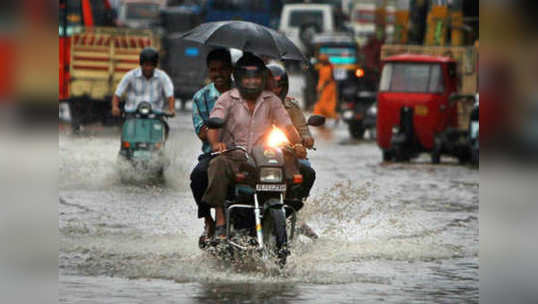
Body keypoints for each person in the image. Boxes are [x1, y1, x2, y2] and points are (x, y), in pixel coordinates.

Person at [202, 53, 305, 240]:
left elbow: (287, 126)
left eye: (256, 77)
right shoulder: (227, 99)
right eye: (247, 77)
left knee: (295, 165)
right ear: (239, 78)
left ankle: (287, 210)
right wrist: (216, 143)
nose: (252, 82)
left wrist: (297, 143)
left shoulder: (271, 101)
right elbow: (213, 124)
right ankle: (220, 220)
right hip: (234, 155)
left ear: (263, 78)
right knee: (217, 165)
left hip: (263, 156)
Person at [267, 63, 319, 239]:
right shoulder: (253, 104)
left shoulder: (292, 106)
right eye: (270, 85)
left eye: (278, 85)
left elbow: (302, 130)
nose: (274, 89)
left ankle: (294, 210)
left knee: (307, 170)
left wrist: (305, 140)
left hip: (287, 152)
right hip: (259, 153)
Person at [190, 48, 233, 244]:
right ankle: (209, 220)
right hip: (213, 153)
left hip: (243, 151)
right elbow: (201, 131)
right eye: (214, 70)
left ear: (231, 70)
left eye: (223, 69)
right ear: (208, 71)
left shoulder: (243, 92)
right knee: (198, 175)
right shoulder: (201, 97)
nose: (219, 74)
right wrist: (215, 139)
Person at [112, 47, 175, 119]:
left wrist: (171, 109)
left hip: (155, 117)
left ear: (155, 65)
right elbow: (117, 93)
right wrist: (115, 107)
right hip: (132, 117)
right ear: (141, 64)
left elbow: (170, 95)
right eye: (146, 65)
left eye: (151, 65)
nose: (148, 68)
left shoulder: (162, 77)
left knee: (164, 128)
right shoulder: (131, 75)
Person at [313, 54, 338, 119]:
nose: (321, 61)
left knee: (326, 103)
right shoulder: (324, 67)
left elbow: (326, 80)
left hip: (328, 88)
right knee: (323, 103)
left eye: (322, 60)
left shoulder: (327, 68)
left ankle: (331, 116)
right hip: (326, 88)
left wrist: (321, 87)